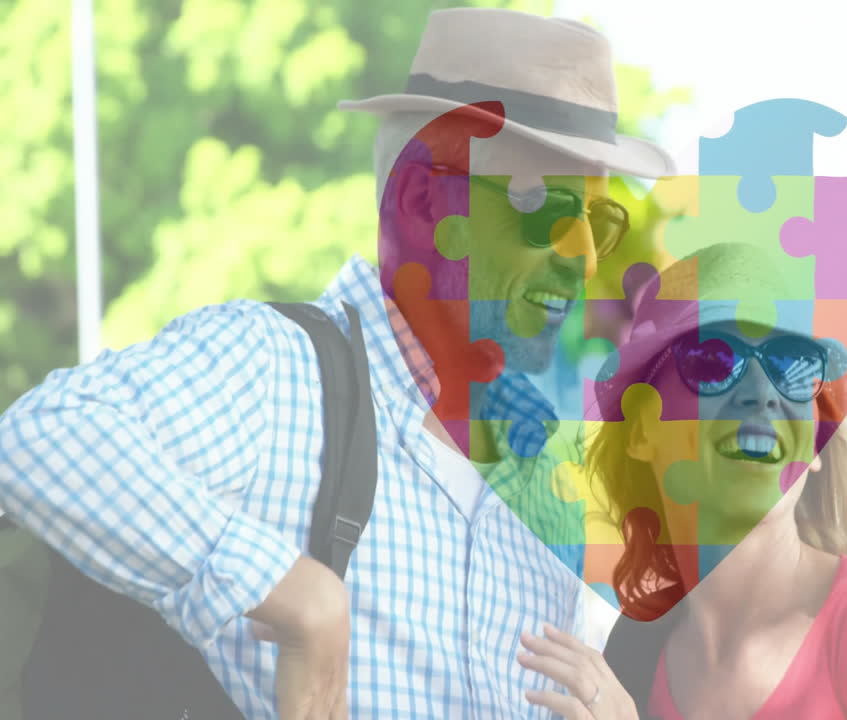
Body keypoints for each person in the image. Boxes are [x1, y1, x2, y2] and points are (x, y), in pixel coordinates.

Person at [0, 8, 673, 719]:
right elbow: (37, 437)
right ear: (419, 199)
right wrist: (297, 595)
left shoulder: (549, 482)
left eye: (599, 221)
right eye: (547, 209)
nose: (584, 256)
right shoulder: (276, 372)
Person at [515, 243, 847, 719]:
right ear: (641, 431)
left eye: (792, 366)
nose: (762, 394)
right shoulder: (633, 654)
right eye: (712, 359)